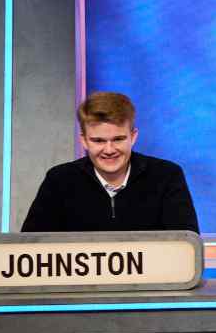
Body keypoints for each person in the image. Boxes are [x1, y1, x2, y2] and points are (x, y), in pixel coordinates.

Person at [22, 92, 199, 232]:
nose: (109, 150)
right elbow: (31, 249)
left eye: (118, 139)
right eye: (98, 141)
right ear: (83, 140)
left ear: (133, 136)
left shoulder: (167, 176)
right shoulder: (59, 180)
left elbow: (185, 249)